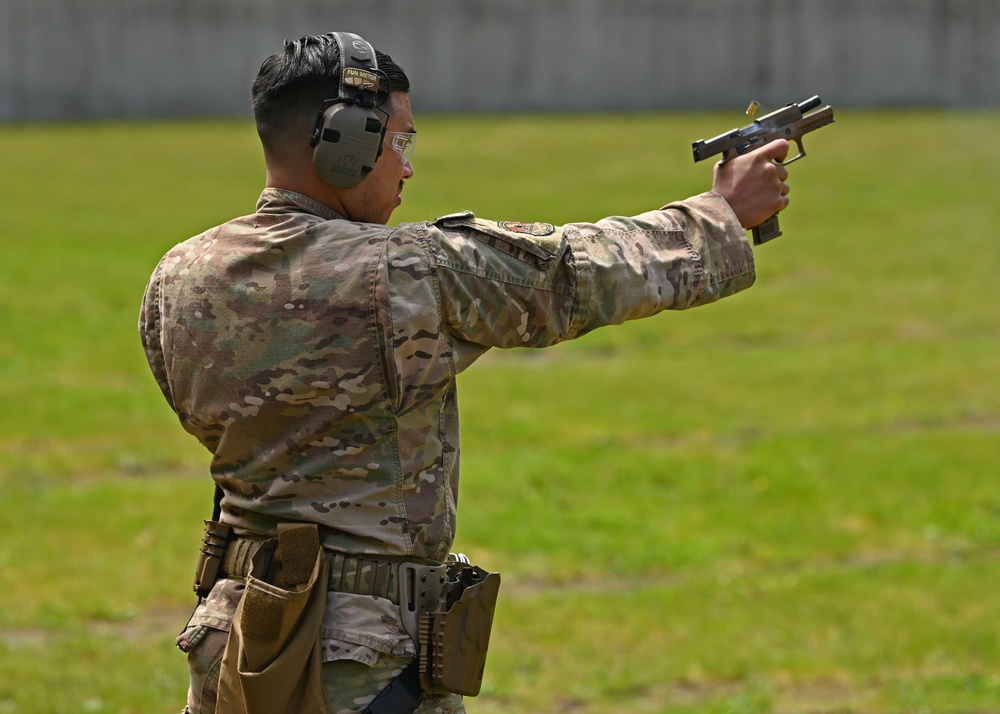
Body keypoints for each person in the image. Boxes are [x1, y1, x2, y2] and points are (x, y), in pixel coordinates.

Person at [139, 30, 791, 714]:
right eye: (400, 143)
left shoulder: (176, 277)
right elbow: (574, 273)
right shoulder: (403, 272)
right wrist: (720, 213)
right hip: (360, 666)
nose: (408, 169)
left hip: (236, 642)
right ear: (345, 143)